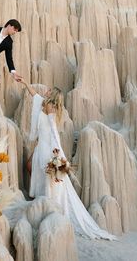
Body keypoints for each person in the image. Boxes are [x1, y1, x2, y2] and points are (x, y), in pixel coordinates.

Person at [19, 78, 117, 240]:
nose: (46, 91)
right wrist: (23, 83)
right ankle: (39, 198)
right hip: (40, 145)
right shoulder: (43, 103)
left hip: (47, 146)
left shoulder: (50, 107)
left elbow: (53, 129)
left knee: (43, 172)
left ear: (53, 95)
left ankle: (46, 202)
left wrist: (58, 150)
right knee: (31, 166)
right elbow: (34, 94)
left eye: (49, 90)